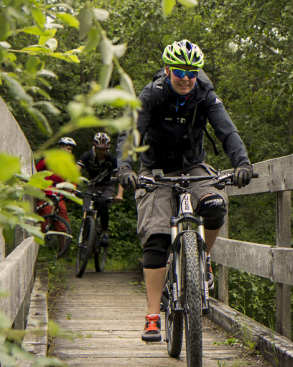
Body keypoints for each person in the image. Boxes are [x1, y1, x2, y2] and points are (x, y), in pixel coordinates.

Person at [117, 40, 254, 342]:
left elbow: (226, 130)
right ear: (167, 70)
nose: (186, 78)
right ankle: (153, 317)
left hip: (193, 165)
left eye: (192, 72)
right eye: (179, 71)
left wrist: (242, 163)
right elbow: (131, 131)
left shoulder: (204, 93)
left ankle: (201, 260)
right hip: (156, 170)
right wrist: (125, 168)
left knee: (216, 203)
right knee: (157, 236)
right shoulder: (151, 94)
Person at [76, 132, 124, 247]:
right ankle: (87, 240)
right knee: (86, 209)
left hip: (107, 186)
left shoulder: (112, 159)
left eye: (104, 149)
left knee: (103, 202)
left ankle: (104, 233)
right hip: (92, 186)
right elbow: (75, 171)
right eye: (99, 149)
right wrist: (69, 186)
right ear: (95, 147)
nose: (102, 152)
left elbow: (120, 178)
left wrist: (119, 195)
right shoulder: (87, 156)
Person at [36, 137, 76, 249]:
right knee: (44, 220)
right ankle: (38, 249)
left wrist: (71, 189)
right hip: (46, 192)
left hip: (59, 194)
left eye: (71, 150)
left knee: (63, 223)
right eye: (68, 148)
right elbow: (37, 169)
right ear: (62, 147)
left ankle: (62, 252)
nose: (70, 151)